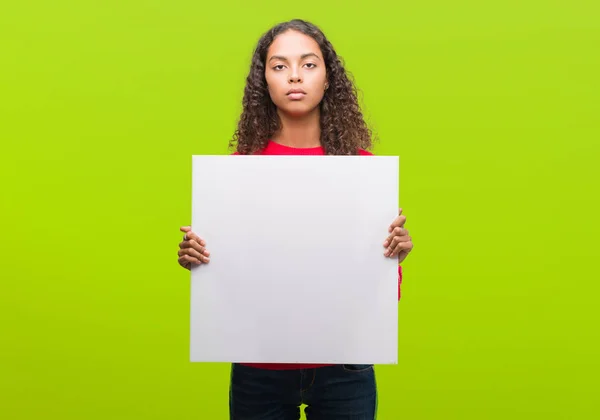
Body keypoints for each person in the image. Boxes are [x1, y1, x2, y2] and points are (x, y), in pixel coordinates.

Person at [177, 19, 414, 420]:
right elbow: (231, 285)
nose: (294, 77)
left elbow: (383, 297)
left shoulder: (364, 171)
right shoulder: (236, 173)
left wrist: (393, 256)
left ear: (328, 79)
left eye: (308, 64)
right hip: (259, 368)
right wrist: (198, 257)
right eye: (279, 66)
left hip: (344, 366)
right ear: (264, 82)